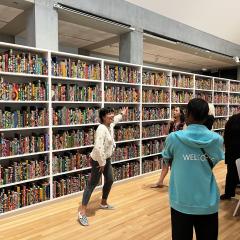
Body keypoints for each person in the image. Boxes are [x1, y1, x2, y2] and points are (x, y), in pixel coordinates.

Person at [162, 98, 224, 240]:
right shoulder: (217, 140)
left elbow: (167, 159)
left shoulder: (173, 138)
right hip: (207, 201)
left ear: (188, 113)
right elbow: (213, 161)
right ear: (206, 116)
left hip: (181, 199)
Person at [78, 107, 128, 226]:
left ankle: (103, 203)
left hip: (106, 158)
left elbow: (116, 119)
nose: (112, 115)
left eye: (112, 112)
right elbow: (98, 147)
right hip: (98, 161)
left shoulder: (109, 125)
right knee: (92, 184)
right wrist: (102, 163)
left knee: (110, 179)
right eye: (109, 114)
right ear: (103, 117)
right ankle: (82, 212)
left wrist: (121, 113)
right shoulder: (101, 129)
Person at [151, 106, 185, 188]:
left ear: (180, 113)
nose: (174, 111)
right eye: (174, 110)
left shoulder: (183, 124)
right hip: (169, 146)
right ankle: (160, 182)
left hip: (177, 148)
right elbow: (166, 133)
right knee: (165, 164)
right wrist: (169, 123)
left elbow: (183, 136)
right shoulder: (172, 123)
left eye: (176, 110)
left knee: (174, 167)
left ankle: (177, 184)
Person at [220, 113, 240, 200]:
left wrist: (227, 147)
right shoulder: (233, 119)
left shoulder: (233, 118)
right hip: (233, 149)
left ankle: (229, 193)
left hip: (232, 149)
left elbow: (226, 134)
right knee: (232, 171)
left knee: (231, 172)